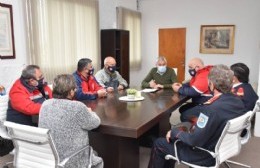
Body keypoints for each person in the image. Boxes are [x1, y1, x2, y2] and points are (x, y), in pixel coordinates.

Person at [148, 64, 246, 168]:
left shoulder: (210, 109)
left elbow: (193, 140)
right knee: (180, 132)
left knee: (160, 143)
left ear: (211, 84)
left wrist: (174, 132)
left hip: (205, 155)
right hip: (221, 147)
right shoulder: (238, 101)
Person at [39, 74, 103, 168]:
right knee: (96, 157)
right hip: (72, 161)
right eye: (75, 89)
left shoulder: (45, 104)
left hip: (49, 157)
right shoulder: (77, 107)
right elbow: (95, 123)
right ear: (71, 92)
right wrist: (90, 112)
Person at [172, 57, 212, 122]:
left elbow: (194, 92)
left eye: (190, 67)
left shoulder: (204, 75)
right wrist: (182, 86)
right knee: (183, 109)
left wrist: (179, 89)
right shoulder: (199, 73)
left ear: (197, 67)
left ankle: (193, 130)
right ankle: (193, 124)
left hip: (206, 104)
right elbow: (192, 84)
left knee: (185, 115)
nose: (189, 69)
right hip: (201, 101)